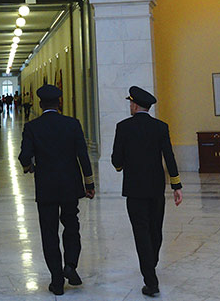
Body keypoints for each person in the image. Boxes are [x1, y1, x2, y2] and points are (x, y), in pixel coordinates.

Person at [18, 84, 95, 296]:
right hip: (70, 186)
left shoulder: (33, 127)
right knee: (72, 225)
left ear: (40, 104)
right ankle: (70, 264)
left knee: (49, 232)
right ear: (59, 103)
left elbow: (24, 156)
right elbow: (83, 156)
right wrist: (89, 183)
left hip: (46, 188)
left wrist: (29, 167)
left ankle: (57, 280)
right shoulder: (72, 124)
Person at [111, 86, 183, 297]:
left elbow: (117, 160)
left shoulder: (123, 127)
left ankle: (150, 280)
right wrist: (176, 185)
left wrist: (120, 166)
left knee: (141, 232)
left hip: (134, 190)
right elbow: (169, 157)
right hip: (156, 189)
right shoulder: (161, 127)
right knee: (155, 230)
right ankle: (151, 263)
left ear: (134, 105)